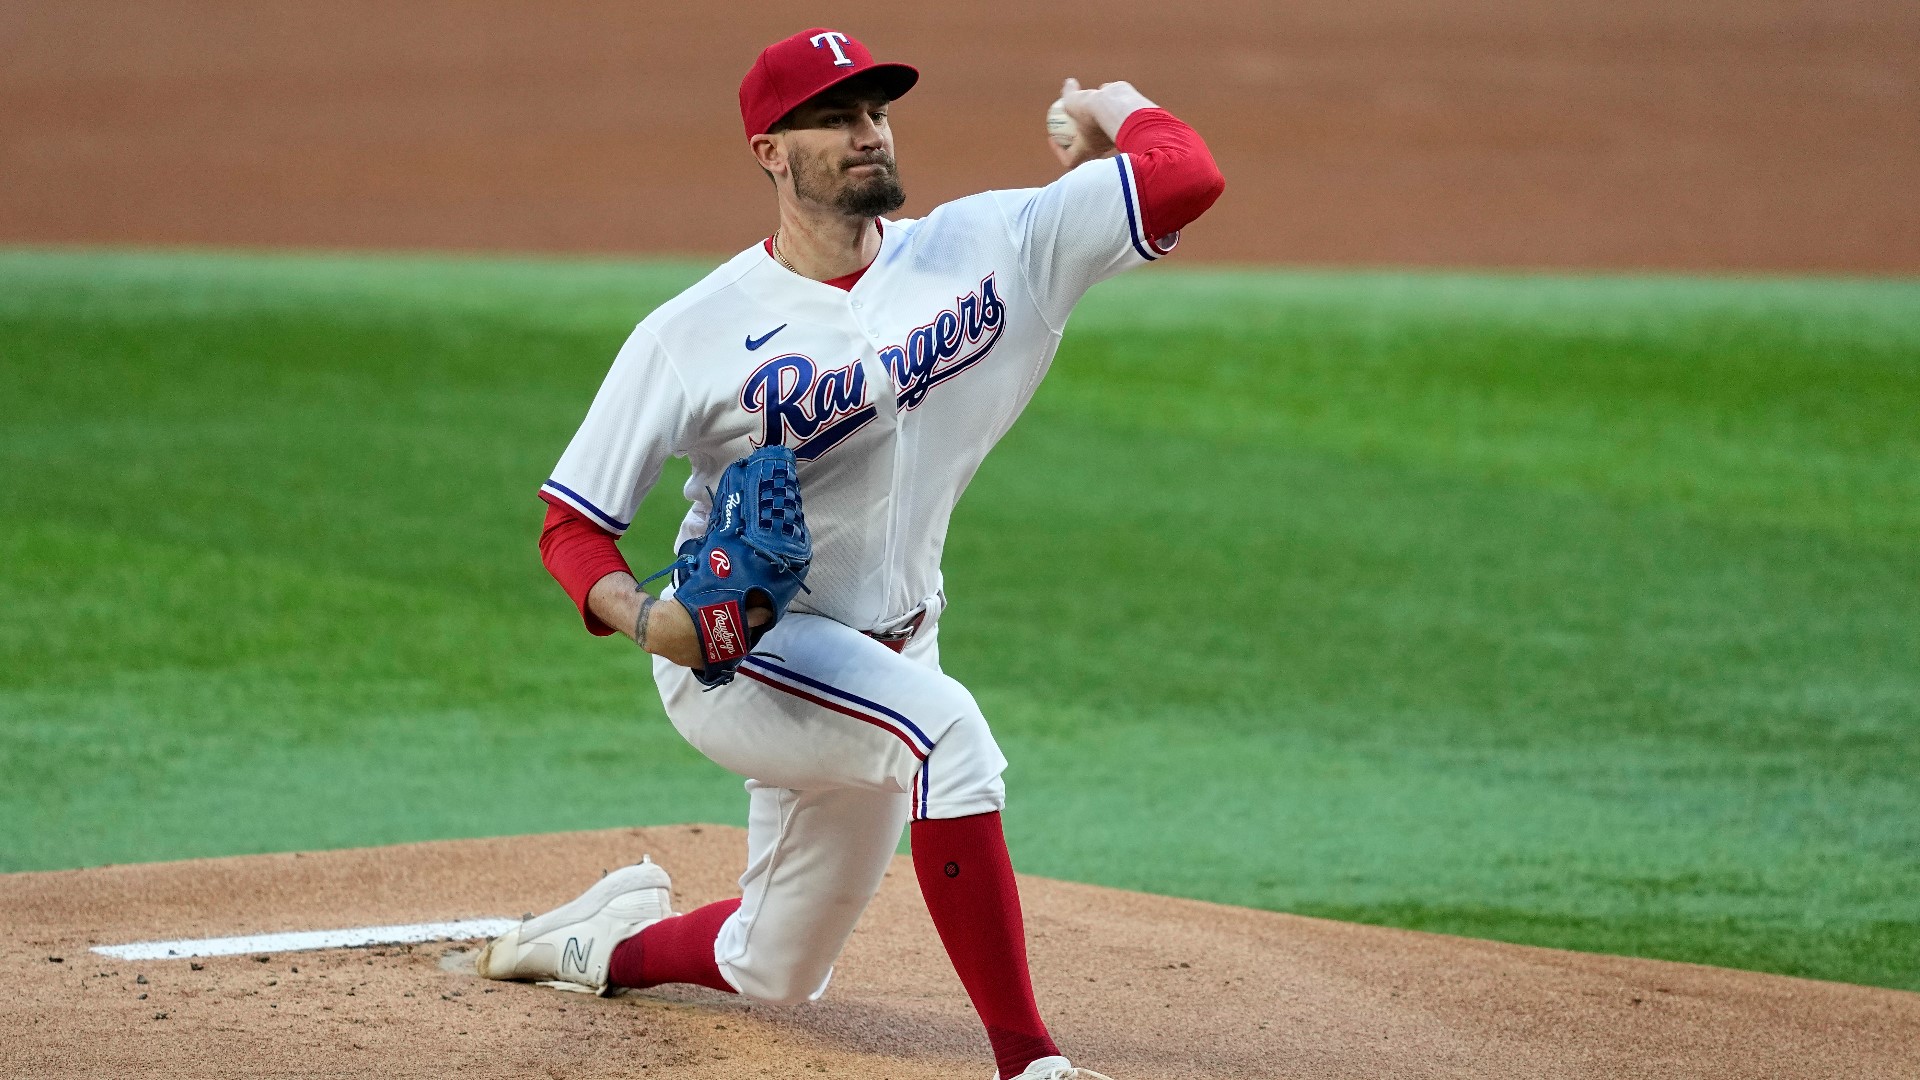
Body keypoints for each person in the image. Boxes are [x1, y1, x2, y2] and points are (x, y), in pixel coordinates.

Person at [478, 27, 1224, 1080]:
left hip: (890, 650)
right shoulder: (690, 333)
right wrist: (651, 620)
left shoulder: (993, 246)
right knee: (949, 738)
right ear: (770, 152)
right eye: (834, 118)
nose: (866, 133)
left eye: (874, 112)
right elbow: (572, 524)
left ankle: (594, 939)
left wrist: (1111, 101)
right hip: (745, 654)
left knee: (775, 968)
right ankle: (1031, 1067)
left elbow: (1185, 174)